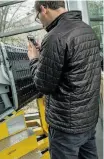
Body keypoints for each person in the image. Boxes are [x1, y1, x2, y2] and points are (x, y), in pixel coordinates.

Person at [27, 1, 101, 159]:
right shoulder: (86, 29)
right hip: (88, 119)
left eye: (38, 17)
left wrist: (34, 59)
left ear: (43, 9)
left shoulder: (54, 37)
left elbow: (43, 85)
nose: (41, 24)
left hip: (66, 126)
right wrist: (47, 55)